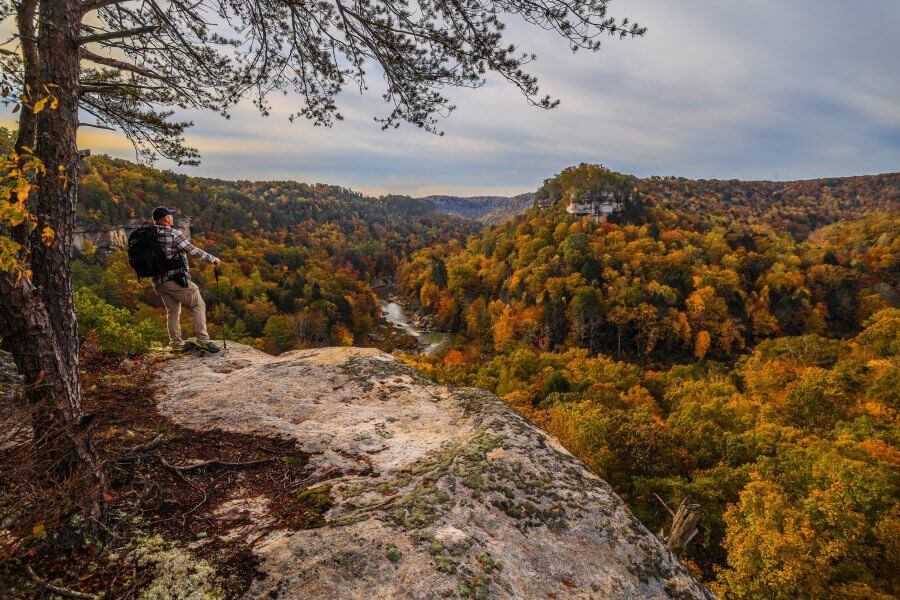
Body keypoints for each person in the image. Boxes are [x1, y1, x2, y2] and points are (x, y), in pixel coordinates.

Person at [150, 206, 222, 353]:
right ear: (165, 219)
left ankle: (176, 343)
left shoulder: (150, 234)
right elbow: (192, 250)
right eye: (170, 215)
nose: (172, 217)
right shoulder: (174, 234)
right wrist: (212, 259)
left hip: (158, 281)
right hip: (174, 278)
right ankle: (203, 340)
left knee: (172, 311)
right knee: (197, 304)